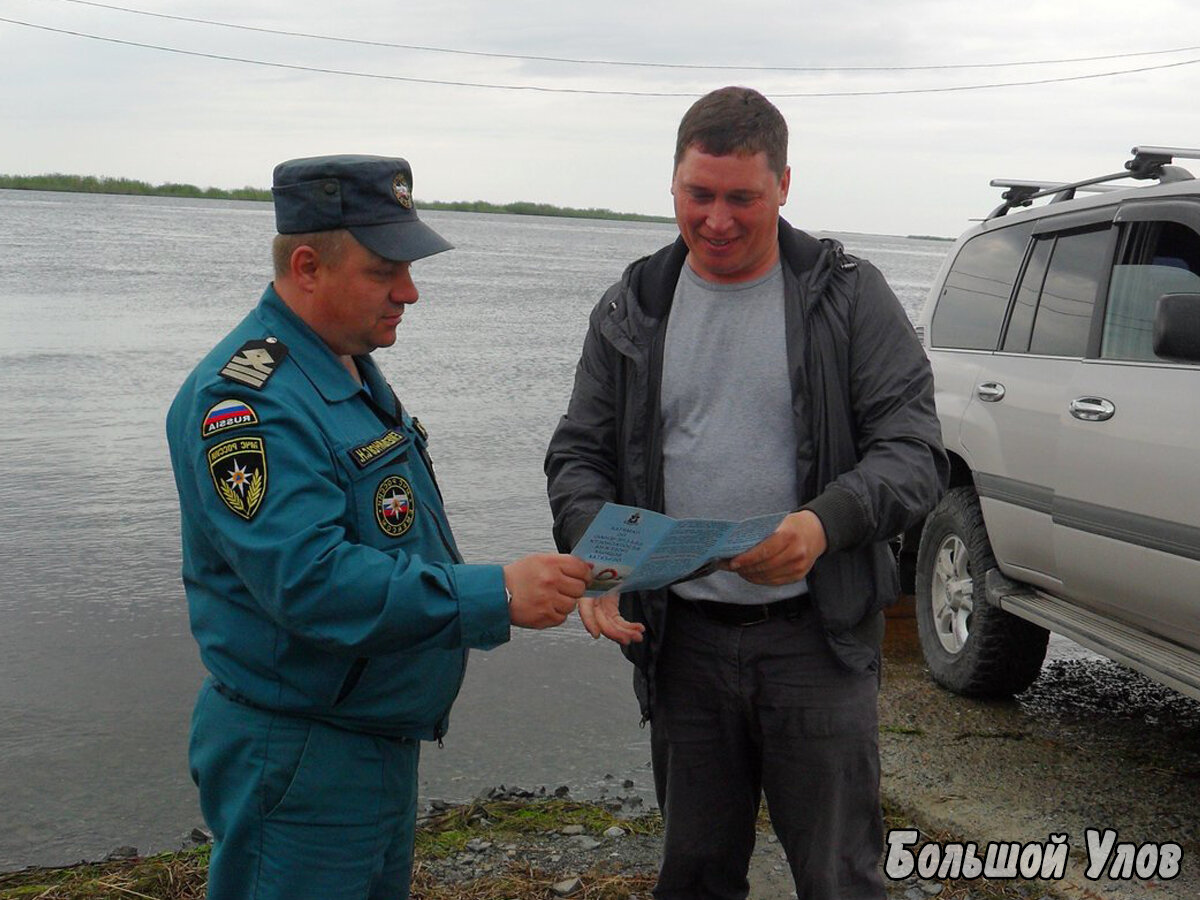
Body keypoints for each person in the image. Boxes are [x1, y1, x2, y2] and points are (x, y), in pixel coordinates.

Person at [545, 88, 948, 899]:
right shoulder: (633, 305)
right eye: (700, 195)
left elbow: (914, 453)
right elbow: (578, 455)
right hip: (682, 642)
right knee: (694, 875)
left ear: (785, 186)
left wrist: (823, 525)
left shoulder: (848, 296)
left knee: (841, 877)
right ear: (672, 185)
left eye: (742, 198)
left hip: (817, 642)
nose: (718, 219)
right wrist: (599, 555)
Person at [166, 154, 591, 900]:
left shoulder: (342, 366)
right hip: (298, 753)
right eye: (384, 271)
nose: (410, 292)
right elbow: (309, 581)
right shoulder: (246, 404)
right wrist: (493, 594)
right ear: (307, 266)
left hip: (364, 740)